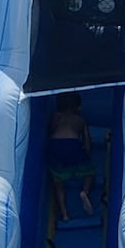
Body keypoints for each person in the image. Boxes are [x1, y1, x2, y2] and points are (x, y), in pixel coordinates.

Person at [46, 91, 95, 220]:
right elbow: (87, 141)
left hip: (55, 145)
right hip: (72, 144)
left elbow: (50, 131)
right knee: (89, 171)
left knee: (58, 181)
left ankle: (64, 213)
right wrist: (86, 155)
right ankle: (85, 191)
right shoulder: (80, 120)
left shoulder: (55, 116)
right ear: (77, 107)